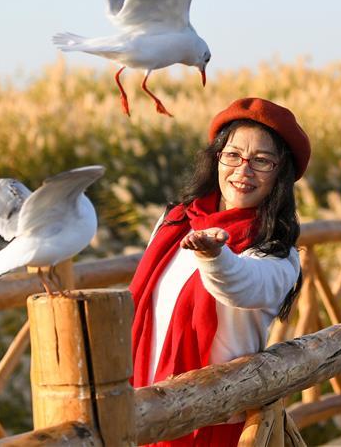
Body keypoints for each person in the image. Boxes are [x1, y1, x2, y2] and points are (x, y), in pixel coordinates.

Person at [129, 97, 309, 446]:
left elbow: (242, 285)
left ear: (281, 175)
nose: (243, 170)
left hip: (220, 423)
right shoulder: (176, 222)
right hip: (145, 406)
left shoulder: (276, 252)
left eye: (262, 161)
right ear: (216, 158)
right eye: (233, 155)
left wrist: (214, 255)